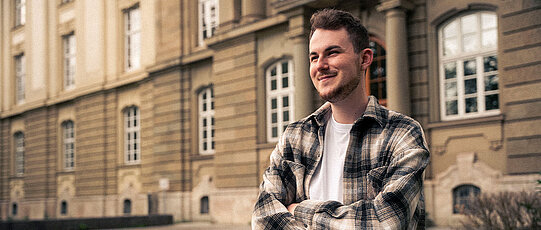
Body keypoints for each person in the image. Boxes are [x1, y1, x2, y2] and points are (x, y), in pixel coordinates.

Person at [252, 8, 430, 229]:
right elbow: (263, 216)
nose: (320, 65)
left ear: (364, 58)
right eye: (314, 57)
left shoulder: (402, 133)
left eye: (332, 52)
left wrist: (298, 209)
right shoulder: (295, 137)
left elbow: (384, 223)